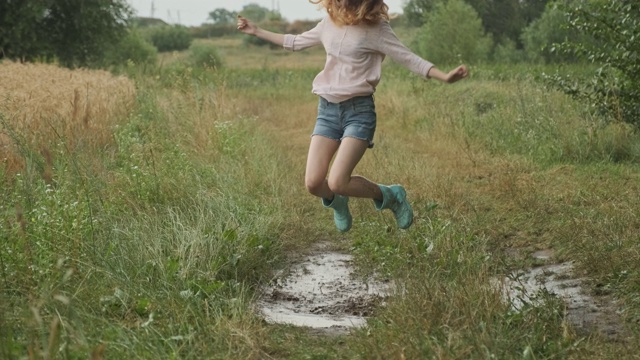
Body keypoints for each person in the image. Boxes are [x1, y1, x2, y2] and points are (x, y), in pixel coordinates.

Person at [237, 0, 468, 233]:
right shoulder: (330, 22)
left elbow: (409, 58)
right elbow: (295, 42)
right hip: (327, 112)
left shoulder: (377, 29)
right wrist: (255, 31)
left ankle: (391, 195)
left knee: (338, 181)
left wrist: (445, 77)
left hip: (358, 113)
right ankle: (338, 202)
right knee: (314, 183)